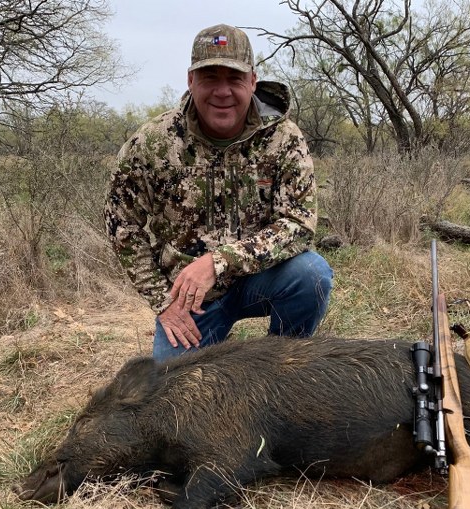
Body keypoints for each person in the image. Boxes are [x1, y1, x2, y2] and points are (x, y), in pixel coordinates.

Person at [104, 24, 334, 362]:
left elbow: (298, 224)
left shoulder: (284, 137)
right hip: (191, 300)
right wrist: (163, 302)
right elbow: (122, 224)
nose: (222, 91)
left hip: (261, 278)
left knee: (311, 275)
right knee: (172, 393)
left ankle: (281, 370)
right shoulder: (153, 142)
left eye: (234, 78)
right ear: (190, 81)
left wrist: (219, 262)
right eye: (210, 77)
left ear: (253, 81)